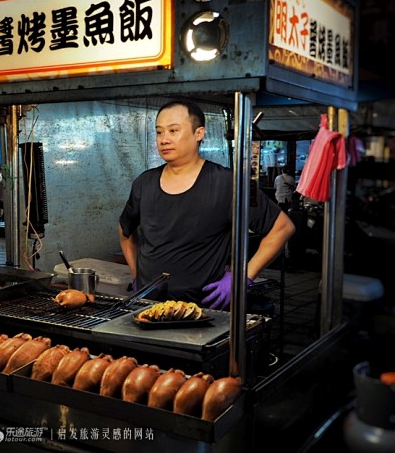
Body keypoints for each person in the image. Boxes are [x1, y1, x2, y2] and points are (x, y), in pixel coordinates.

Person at [118, 100, 295, 310]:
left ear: (198, 133)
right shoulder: (143, 183)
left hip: (204, 311)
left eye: (173, 131)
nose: (164, 139)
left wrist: (242, 277)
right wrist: (137, 275)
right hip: (149, 307)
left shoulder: (230, 183)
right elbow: (125, 231)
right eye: (159, 132)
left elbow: (282, 228)